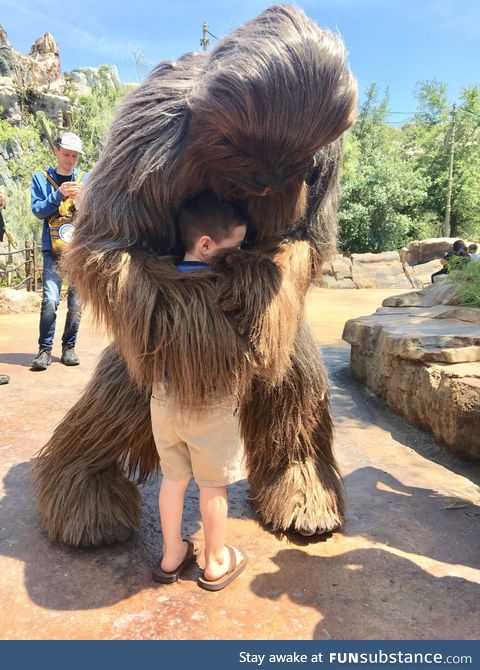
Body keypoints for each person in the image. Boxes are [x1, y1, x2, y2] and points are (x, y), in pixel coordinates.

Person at [150, 192, 248, 591]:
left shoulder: (158, 283)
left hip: (163, 399)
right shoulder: (226, 289)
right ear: (206, 244)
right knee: (213, 485)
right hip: (211, 404)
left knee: (173, 481)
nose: (239, 257)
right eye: (235, 249)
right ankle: (215, 561)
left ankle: (172, 553)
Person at [30, 132, 88, 371]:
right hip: (52, 249)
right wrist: (59, 194)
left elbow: (97, 213)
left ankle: (69, 348)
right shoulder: (41, 178)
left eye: (74, 156)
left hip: (78, 250)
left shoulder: (86, 178)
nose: (70, 160)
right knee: (51, 299)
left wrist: (84, 198)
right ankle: (44, 350)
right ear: (56, 151)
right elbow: (38, 210)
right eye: (66, 154)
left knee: (76, 303)